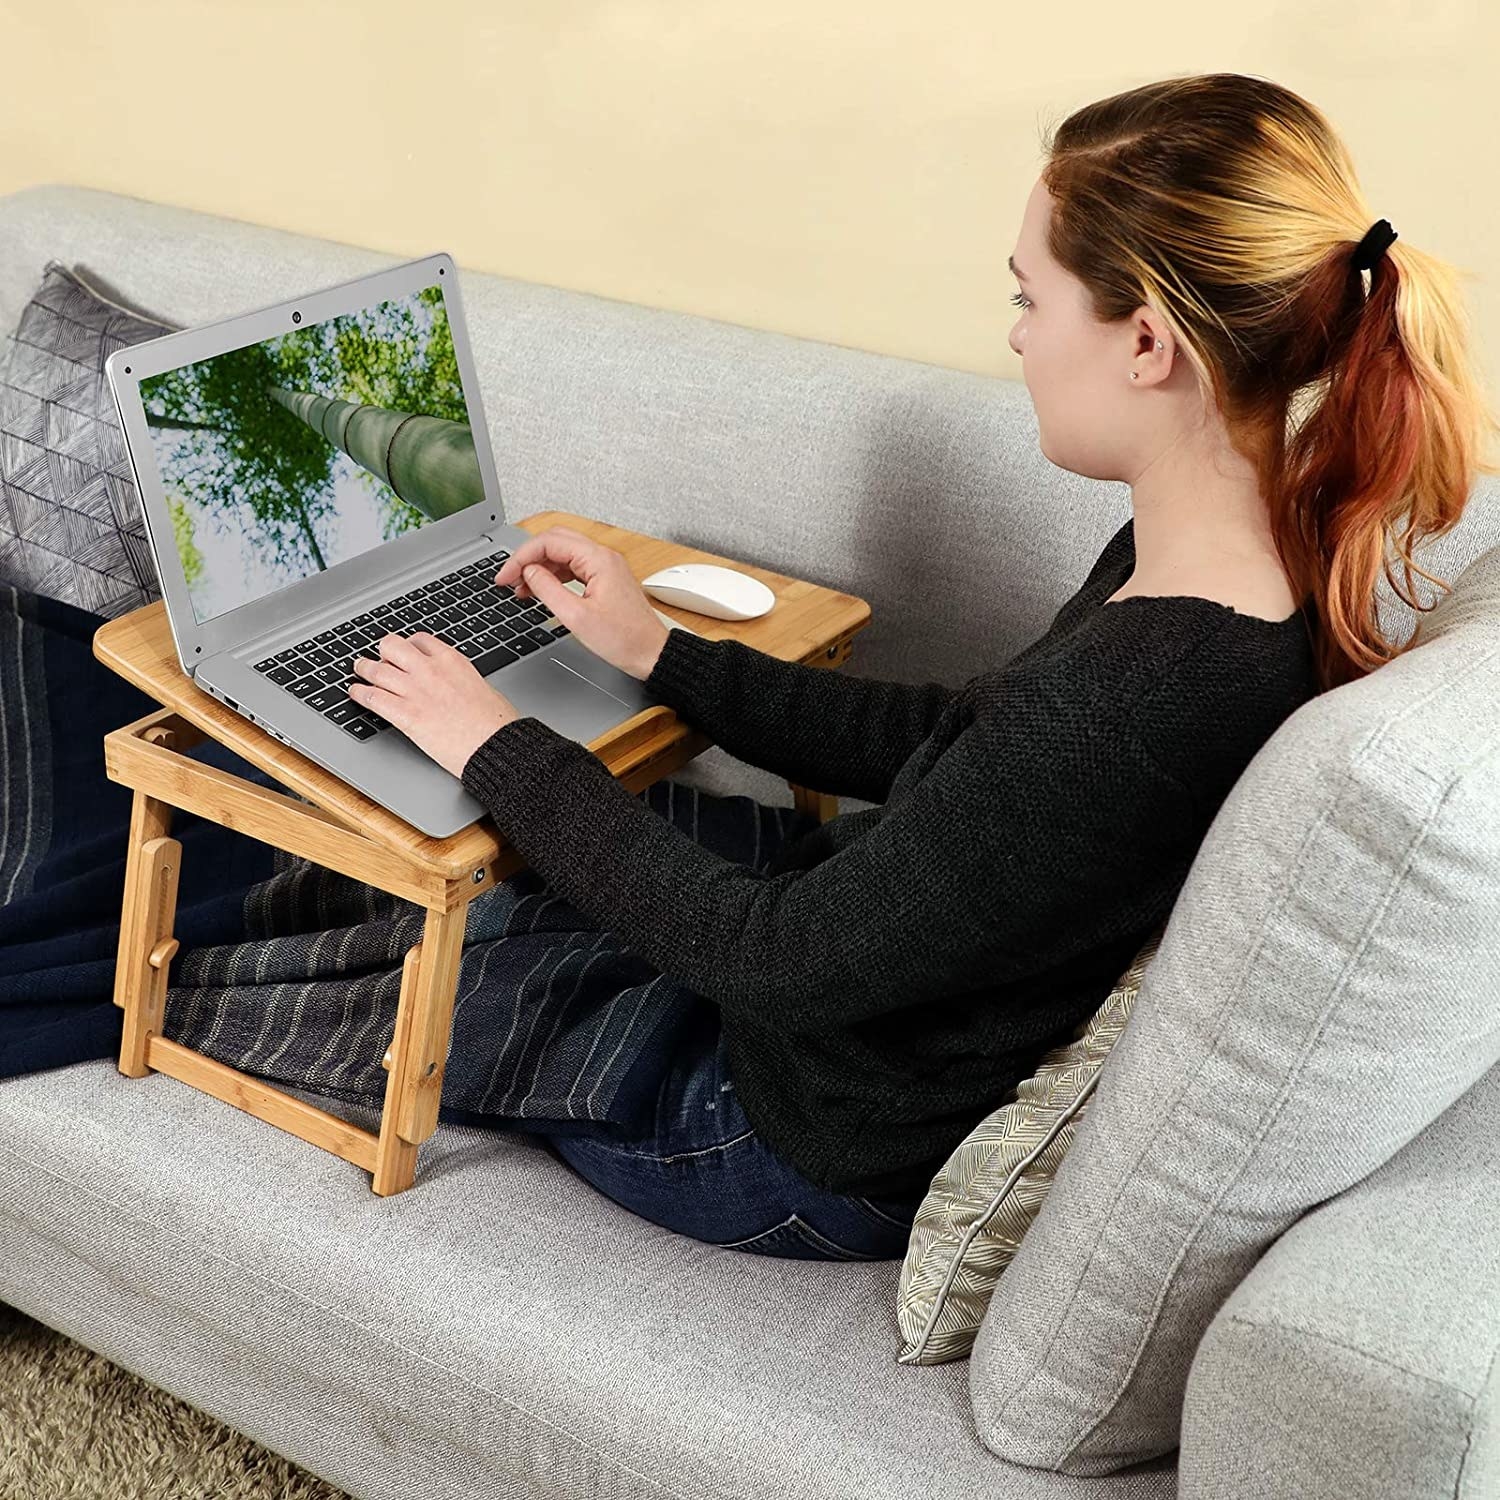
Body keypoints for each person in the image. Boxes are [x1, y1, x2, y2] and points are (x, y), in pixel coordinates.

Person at [204, 73, 1500, 1260]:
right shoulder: (1235, 558)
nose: (1015, 337)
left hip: (792, 1136)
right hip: (854, 1003)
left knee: (337, 971)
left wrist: (496, 742)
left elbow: (782, 961)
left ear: (1148, 342)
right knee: (488, 859)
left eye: (1027, 296)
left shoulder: (1133, 703)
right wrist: (659, 652)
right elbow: (952, 734)